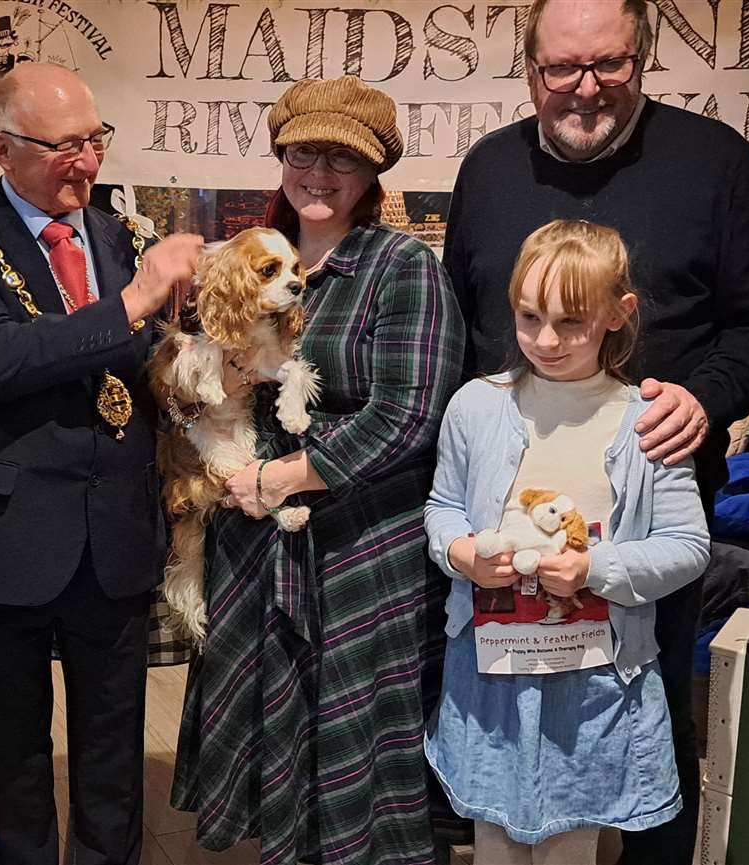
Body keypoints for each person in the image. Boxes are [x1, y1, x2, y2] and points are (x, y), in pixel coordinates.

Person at [441, 1, 749, 857]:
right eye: (561, 69)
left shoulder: (715, 162)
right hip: (502, 532)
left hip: (646, 507)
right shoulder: (488, 168)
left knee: (643, 720)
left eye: (610, 65)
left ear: (643, 55)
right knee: (505, 713)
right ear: (528, 68)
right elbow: (460, 330)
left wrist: (704, 397)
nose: (585, 89)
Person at [0, 62, 203, 865]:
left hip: (117, 534)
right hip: (5, 540)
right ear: (2, 150)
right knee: (14, 755)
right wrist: (137, 301)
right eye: (62, 146)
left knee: (112, 755)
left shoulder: (122, 236)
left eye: (93, 140)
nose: (86, 162)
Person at [169, 76, 464, 865]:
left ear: (374, 174)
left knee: (356, 731)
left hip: (359, 542)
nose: (320, 172)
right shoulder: (255, 259)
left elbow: (409, 416)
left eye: (343, 157)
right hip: (253, 537)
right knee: (279, 721)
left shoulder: (402, 266)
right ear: (282, 159)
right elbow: (198, 382)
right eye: (305, 152)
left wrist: (283, 478)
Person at [423, 219, 710, 863]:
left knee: (572, 846)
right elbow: (443, 506)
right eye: (529, 317)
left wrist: (594, 567)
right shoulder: (476, 406)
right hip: (491, 673)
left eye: (572, 322)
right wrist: (460, 552)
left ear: (619, 313)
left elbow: (688, 545)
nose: (546, 340)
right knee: (495, 843)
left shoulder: (646, 419)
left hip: (596, 687)